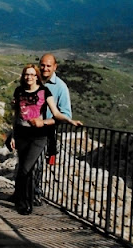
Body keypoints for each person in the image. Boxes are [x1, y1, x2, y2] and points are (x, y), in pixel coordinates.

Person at [9, 64, 81, 215]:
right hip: (22, 135)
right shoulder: (19, 91)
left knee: (25, 169)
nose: (29, 77)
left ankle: (25, 203)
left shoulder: (44, 91)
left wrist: (69, 121)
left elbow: (55, 112)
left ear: (36, 76)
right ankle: (22, 199)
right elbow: (16, 116)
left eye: (32, 74)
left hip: (38, 136)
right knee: (24, 167)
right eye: (26, 74)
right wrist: (13, 135)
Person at [33, 53, 72, 204]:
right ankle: (22, 193)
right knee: (23, 164)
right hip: (27, 131)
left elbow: (66, 113)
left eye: (49, 66)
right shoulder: (33, 81)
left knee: (37, 165)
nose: (45, 68)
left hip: (45, 132)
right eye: (43, 65)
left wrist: (46, 122)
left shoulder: (61, 87)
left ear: (55, 67)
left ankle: (35, 195)